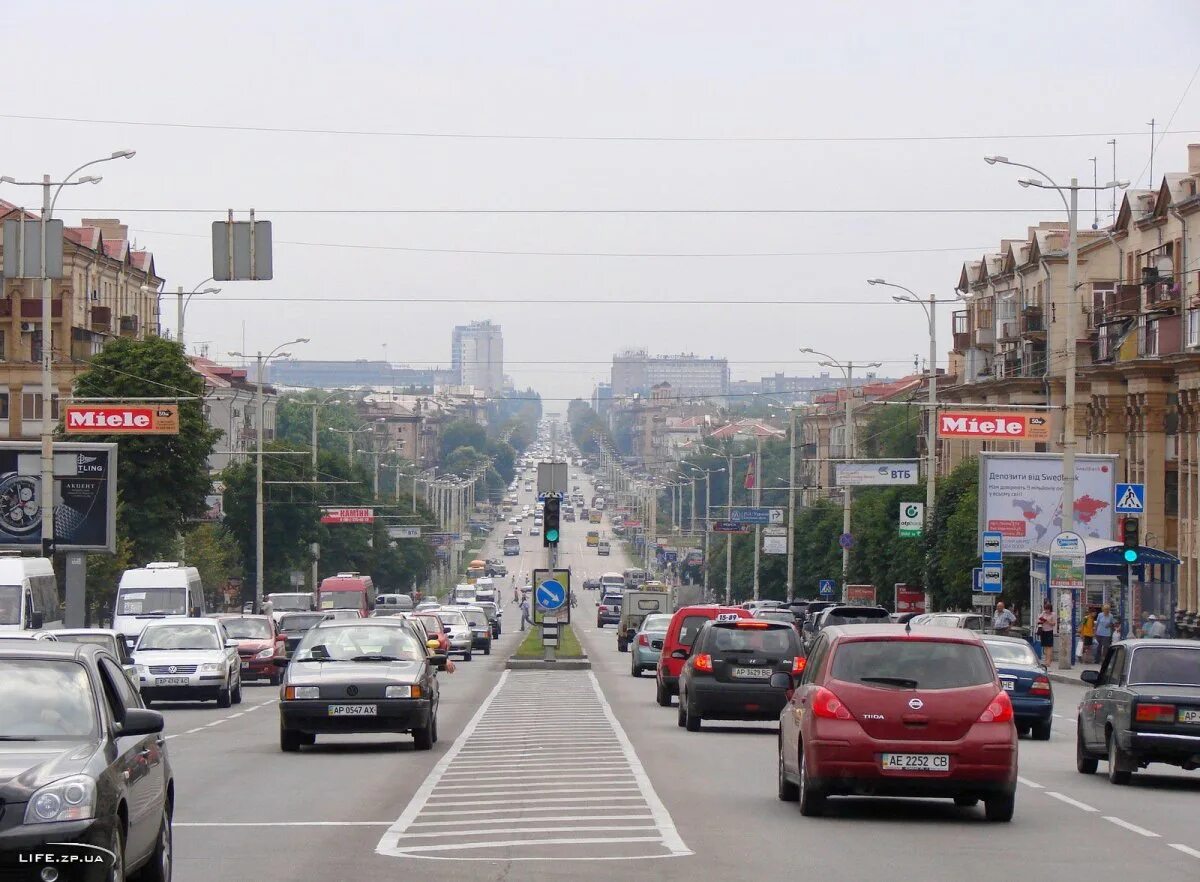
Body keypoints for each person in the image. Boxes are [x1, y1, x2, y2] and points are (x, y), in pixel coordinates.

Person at [1036, 600, 1057, 666]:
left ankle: (1048, 661)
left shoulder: (1053, 614)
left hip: (1049, 631)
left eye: (1047, 609)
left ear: (1050, 609)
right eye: (1045, 609)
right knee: (1045, 647)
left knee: (1049, 647)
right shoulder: (1043, 613)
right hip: (1043, 631)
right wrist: (1041, 618)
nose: (1046, 610)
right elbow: (1038, 620)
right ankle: (1046, 660)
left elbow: (1053, 623)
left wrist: (1047, 621)